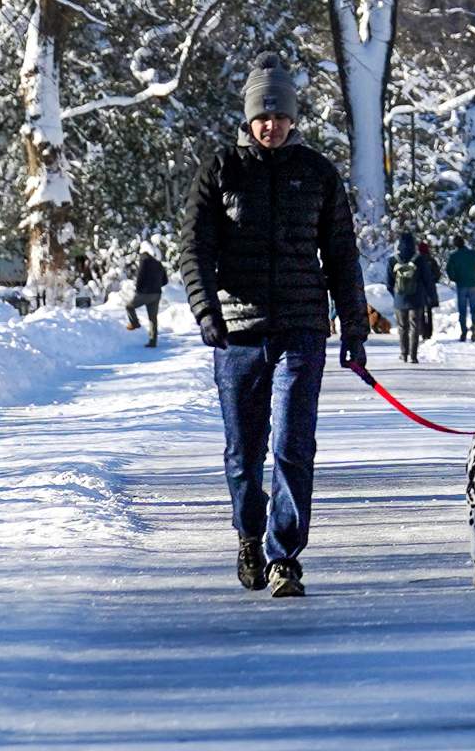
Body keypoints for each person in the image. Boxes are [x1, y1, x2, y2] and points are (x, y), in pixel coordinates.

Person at [183, 55, 364, 598]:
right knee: (244, 452)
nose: (272, 125)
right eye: (263, 116)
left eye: (280, 116)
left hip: (301, 327)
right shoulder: (221, 170)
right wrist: (206, 310)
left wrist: (353, 328)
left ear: (292, 118)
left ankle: (284, 556)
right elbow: (194, 248)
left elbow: (341, 254)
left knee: (292, 445)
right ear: (249, 118)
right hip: (237, 332)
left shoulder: (318, 173)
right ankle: (248, 534)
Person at [389, 231, 440, 363]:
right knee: (414, 327)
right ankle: (413, 356)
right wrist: (432, 296)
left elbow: (388, 283)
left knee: (402, 327)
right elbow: (428, 280)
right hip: (416, 299)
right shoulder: (420, 260)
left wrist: (396, 295)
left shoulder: (393, 260)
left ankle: (403, 353)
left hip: (400, 300)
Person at [445, 238, 475, 341]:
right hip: (473, 284)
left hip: (461, 285)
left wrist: (454, 278)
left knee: (462, 310)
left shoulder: (454, 256)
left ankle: (463, 331)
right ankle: (474, 329)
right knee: (474, 309)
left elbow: (449, 269)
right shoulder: (473, 253)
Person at [128, 245, 169, 345]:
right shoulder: (158, 263)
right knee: (153, 318)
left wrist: (138, 289)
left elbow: (140, 276)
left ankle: (135, 323)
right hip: (157, 294)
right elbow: (165, 281)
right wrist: (157, 285)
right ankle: (153, 341)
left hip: (145, 293)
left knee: (129, 306)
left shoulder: (144, 261)